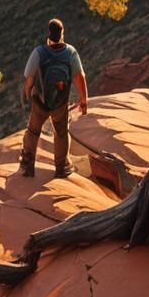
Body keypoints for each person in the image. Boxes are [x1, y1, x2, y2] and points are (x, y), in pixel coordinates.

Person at [19, 18, 88, 178]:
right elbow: (80, 77)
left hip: (40, 102)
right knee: (62, 133)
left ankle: (27, 166)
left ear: (48, 34)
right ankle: (61, 168)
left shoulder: (38, 52)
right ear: (62, 34)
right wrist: (84, 100)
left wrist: (27, 96)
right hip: (60, 103)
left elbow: (29, 79)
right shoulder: (70, 52)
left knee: (33, 131)